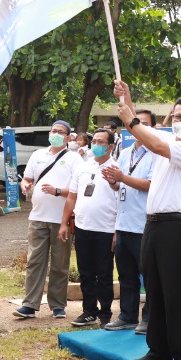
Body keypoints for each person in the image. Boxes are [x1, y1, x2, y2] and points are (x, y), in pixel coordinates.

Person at [115, 80, 181, 360]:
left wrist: (129, 117)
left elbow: (153, 141)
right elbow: (143, 132)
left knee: (177, 293)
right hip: (153, 224)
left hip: (178, 226)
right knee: (154, 290)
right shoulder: (170, 141)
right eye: (177, 116)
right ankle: (158, 350)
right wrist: (126, 98)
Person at [13, 119, 81, 320]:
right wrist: (24, 185)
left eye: (60, 132)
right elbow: (28, 178)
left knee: (60, 263)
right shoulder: (37, 155)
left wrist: (58, 191)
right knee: (34, 261)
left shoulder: (74, 159)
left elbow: (79, 189)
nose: (56, 134)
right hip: (38, 217)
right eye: (53, 130)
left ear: (68, 137)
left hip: (62, 219)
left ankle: (58, 305)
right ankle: (30, 305)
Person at [100, 109, 157, 332]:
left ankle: (149, 318)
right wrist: (113, 181)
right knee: (126, 274)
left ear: (152, 128)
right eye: (134, 123)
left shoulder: (156, 153)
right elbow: (119, 186)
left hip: (144, 224)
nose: (137, 127)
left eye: (143, 123)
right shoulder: (125, 153)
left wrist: (123, 178)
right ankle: (127, 315)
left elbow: (152, 184)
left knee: (150, 276)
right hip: (123, 223)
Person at [61, 127, 120, 327]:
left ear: (111, 146)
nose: (96, 145)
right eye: (94, 141)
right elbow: (72, 197)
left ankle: (105, 314)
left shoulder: (116, 169)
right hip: (83, 227)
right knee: (85, 272)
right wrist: (64, 222)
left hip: (106, 229)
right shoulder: (83, 167)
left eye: (101, 142)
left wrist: (116, 232)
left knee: (103, 273)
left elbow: (122, 203)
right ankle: (88, 312)